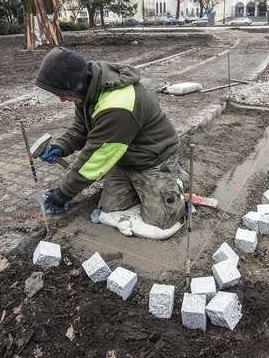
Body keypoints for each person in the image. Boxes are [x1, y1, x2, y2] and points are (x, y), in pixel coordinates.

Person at [34, 47, 186, 230]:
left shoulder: (117, 103)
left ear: (76, 84)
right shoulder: (88, 88)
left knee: (162, 221)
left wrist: (62, 194)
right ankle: (143, 189)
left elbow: (96, 159)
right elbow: (82, 127)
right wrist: (61, 146)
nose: (61, 99)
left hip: (154, 159)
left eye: (61, 93)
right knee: (109, 208)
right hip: (124, 158)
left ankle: (175, 180)